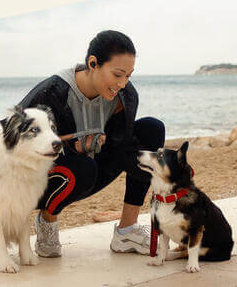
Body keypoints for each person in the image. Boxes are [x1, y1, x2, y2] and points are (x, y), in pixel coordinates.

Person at [19, 30, 165, 257]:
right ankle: (47, 222)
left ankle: (126, 232)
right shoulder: (51, 93)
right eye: (117, 74)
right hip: (39, 181)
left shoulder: (126, 96)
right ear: (93, 63)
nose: (123, 83)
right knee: (84, 168)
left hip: (93, 170)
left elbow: (122, 145)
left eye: (128, 75)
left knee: (152, 129)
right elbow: (13, 146)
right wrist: (70, 146)